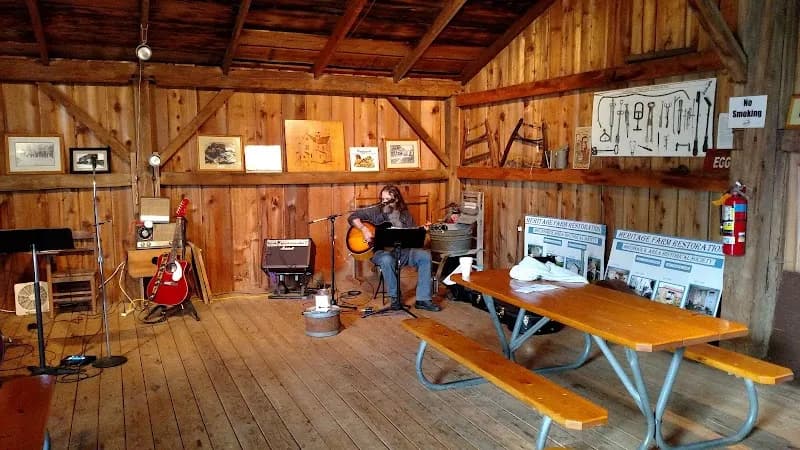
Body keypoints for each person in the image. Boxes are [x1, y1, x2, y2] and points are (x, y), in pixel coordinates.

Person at [348, 185, 440, 312]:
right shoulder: (376, 210)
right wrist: (364, 229)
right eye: (382, 199)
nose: (384, 202)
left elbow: (412, 238)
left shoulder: (405, 215)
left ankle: (423, 299)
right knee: (386, 259)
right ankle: (395, 298)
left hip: (403, 251)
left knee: (425, 256)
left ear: (396, 200)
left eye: (388, 199)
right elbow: (352, 217)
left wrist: (421, 231)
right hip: (381, 252)